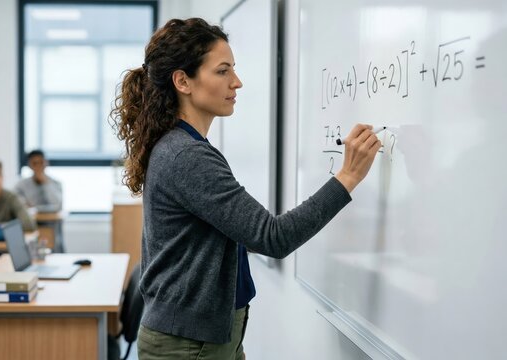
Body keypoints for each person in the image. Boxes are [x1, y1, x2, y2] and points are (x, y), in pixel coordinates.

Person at [110, 18, 382, 360]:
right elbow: (273, 238)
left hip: (202, 338)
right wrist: (348, 177)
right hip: (189, 346)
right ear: (183, 81)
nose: (236, 83)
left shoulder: (187, 146)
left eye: (233, 69)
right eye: (223, 71)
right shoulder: (186, 155)